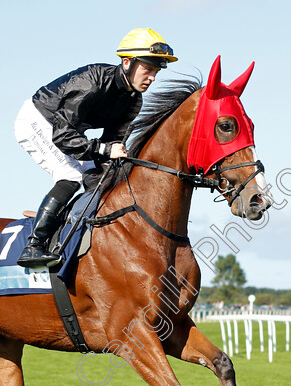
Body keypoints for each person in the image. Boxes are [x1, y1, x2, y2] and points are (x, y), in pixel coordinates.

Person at [14, 28, 177, 267]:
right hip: (39, 120)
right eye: (148, 69)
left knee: (97, 178)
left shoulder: (134, 101)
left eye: (156, 72)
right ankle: (34, 246)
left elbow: (113, 143)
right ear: (127, 62)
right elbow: (62, 135)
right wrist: (103, 151)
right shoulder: (93, 82)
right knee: (69, 176)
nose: (152, 77)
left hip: (67, 131)